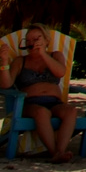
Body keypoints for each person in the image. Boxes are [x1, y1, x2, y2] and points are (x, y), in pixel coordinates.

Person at [0, 27, 77, 162]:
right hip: (30, 104)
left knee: (71, 111)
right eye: (28, 40)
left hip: (55, 102)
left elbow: (60, 72)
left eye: (36, 39)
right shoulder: (20, 61)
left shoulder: (56, 55)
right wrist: (4, 62)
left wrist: (43, 54)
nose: (32, 43)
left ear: (46, 40)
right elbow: (6, 84)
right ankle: (55, 153)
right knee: (42, 112)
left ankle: (60, 150)